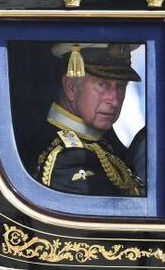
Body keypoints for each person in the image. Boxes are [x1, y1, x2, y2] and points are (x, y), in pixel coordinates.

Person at [33, 43, 145, 197]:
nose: (114, 100)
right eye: (102, 85)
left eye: (120, 86)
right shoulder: (67, 159)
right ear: (70, 87)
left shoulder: (98, 139)